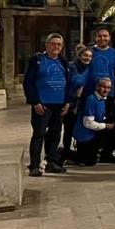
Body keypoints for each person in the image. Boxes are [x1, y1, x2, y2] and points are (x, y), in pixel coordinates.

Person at [22, 32, 71, 176]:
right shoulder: (37, 60)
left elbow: (69, 83)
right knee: (39, 134)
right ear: (47, 45)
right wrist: (35, 102)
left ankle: (52, 162)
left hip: (59, 105)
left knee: (55, 135)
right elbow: (28, 82)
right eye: (53, 44)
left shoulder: (63, 61)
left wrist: (67, 102)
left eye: (59, 44)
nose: (56, 47)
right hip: (42, 105)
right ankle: (35, 166)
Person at [76, 77, 115, 165]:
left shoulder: (104, 100)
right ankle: (64, 152)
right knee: (90, 161)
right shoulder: (91, 99)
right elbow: (87, 123)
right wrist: (105, 126)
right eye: (103, 87)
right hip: (85, 135)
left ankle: (105, 155)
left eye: (108, 88)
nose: (106, 90)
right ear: (97, 87)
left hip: (95, 132)